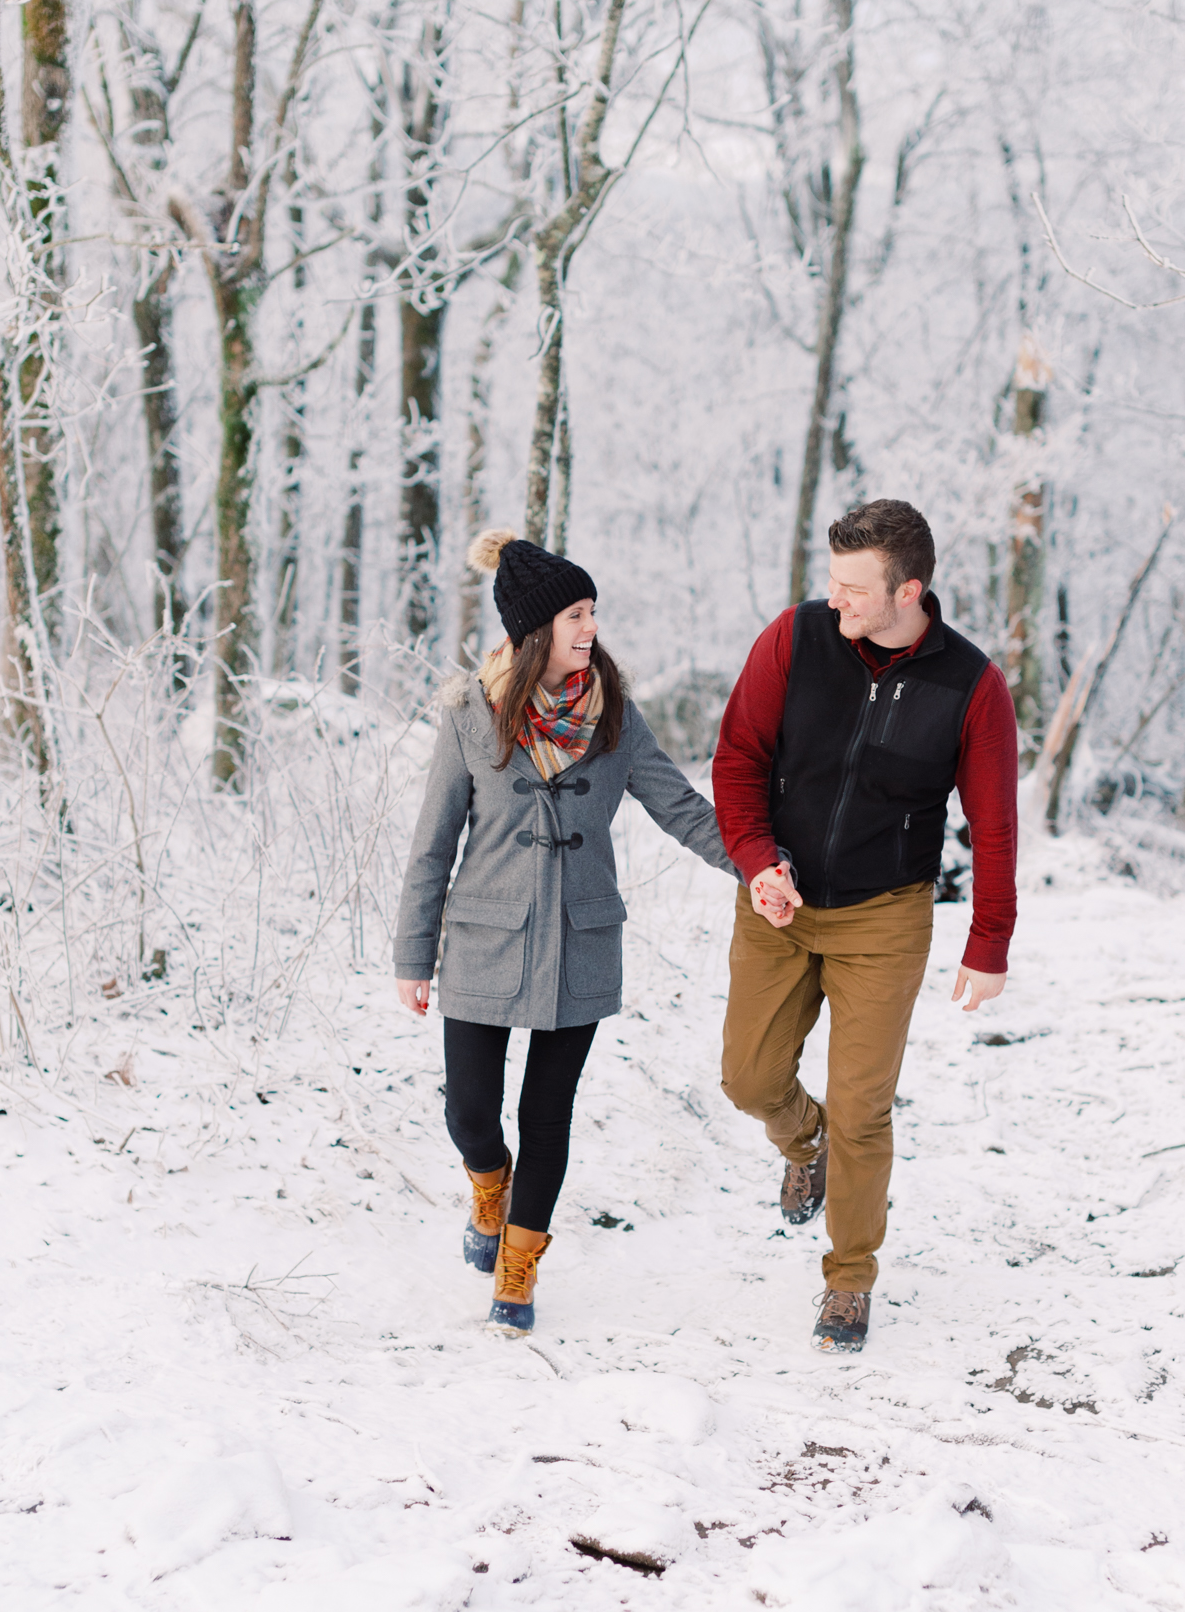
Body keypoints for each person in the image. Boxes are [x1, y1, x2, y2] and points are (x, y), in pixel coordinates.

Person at [394, 529, 739, 1335]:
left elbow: (679, 808)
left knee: (548, 1114)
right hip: (484, 937)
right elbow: (431, 844)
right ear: (534, 628)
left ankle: (518, 1269)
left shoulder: (615, 717)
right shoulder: (471, 717)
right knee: (472, 1116)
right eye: (576, 614)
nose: (590, 628)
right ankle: (490, 1187)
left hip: (580, 941)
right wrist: (414, 955)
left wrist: (757, 863)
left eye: (593, 612)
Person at [712, 497, 1018, 1354]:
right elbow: (737, 757)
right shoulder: (796, 639)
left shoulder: (970, 687)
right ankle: (798, 1142)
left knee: (863, 1109)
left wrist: (988, 940)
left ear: (907, 589)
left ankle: (848, 1279)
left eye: (854, 586)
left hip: (885, 917)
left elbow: (992, 825)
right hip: (780, 899)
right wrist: (757, 859)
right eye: (833, 580)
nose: (834, 599)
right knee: (747, 1077)